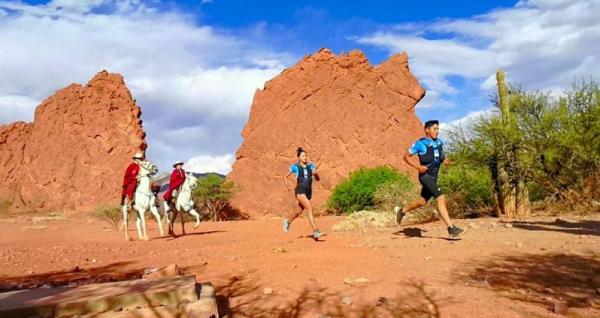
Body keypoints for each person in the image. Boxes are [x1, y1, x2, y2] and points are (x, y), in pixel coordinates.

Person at [395, 120, 465, 238]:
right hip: (425, 176)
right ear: (427, 130)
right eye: (434, 129)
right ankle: (451, 228)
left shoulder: (439, 143)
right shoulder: (420, 144)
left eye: (438, 129)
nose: (437, 131)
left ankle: (402, 211)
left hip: (433, 177)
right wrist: (417, 167)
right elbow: (406, 156)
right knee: (440, 197)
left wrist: (447, 161)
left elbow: (440, 158)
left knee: (422, 201)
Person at [283, 147, 323, 240]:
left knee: (299, 211)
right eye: (303, 156)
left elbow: (318, 179)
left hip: (308, 191)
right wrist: (288, 185)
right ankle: (315, 231)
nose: (305, 157)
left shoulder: (311, 166)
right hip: (300, 190)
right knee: (309, 207)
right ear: (299, 158)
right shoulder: (295, 167)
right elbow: (285, 176)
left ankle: (287, 222)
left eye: (306, 155)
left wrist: (316, 173)